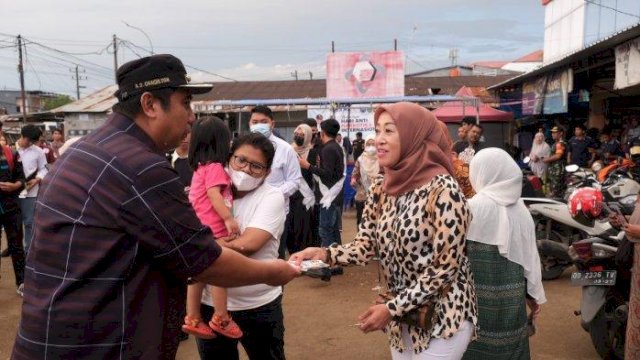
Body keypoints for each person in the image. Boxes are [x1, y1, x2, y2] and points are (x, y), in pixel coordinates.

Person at [11, 54, 299, 360]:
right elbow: (204, 261)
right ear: (150, 105)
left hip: (55, 336)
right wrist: (273, 271)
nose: (191, 117)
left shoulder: (83, 151)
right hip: (100, 344)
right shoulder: (140, 167)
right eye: (185, 103)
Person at [292, 102, 477, 359]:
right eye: (377, 131)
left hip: (443, 316)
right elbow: (365, 245)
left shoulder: (444, 190)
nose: (379, 140)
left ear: (415, 136)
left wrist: (391, 308)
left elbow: (445, 268)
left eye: (389, 131)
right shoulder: (382, 185)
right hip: (402, 318)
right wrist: (324, 254)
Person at [197, 133, 289, 359]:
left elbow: (249, 244)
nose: (246, 170)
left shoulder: (272, 197)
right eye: (241, 160)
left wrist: (203, 247)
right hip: (210, 306)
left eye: (256, 167)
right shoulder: (210, 191)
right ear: (229, 158)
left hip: (258, 305)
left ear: (267, 173)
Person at [463, 148, 546, 360]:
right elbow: (531, 262)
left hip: (470, 305)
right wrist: (533, 297)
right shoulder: (522, 212)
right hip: (511, 305)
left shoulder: (467, 209)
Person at [183, 116, 243, 340]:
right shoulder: (216, 167)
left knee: (197, 276)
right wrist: (228, 218)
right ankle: (221, 317)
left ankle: (192, 318)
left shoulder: (200, 168)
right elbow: (213, 194)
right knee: (220, 274)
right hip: (214, 230)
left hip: (198, 228)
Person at [249, 105, 302, 259]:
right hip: (248, 212)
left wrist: (273, 195)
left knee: (274, 257)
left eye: (263, 121)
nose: (259, 124)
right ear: (250, 124)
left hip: (276, 213)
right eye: (255, 121)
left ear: (272, 124)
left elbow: (294, 181)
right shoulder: (242, 147)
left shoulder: (285, 149)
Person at [299, 119, 345, 258]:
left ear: (322, 132)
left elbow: (328, 174)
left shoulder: (328, 149)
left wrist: (308, 166)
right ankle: (337, 260)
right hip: (333, 196)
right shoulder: (335, 146)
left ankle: (327, 262)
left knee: (325, 230)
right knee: (333, 230)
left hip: (328, 196)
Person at [16, 124, 48, 254]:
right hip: (12, 193)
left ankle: (28, 250)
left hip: (30, 193)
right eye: (28, 140)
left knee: (29, 223)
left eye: (32, 142)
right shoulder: (11, 150)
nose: (30, 144)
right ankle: (15, 249)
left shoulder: (38, 151)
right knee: (14, 225)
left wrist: (38, 179)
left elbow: (44, 168)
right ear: (22, 136)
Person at [0, 139, 26, 296]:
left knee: (16, 245)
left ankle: (22, 282)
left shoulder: (11, 153)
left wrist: (16, 185)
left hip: (11, 207)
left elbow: (21, 178)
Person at [286, 124, 315, 253]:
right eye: (296, 133)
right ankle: (292, 251)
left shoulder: (312, 152)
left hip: (305, 196)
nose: (298, 136)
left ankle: (303, 253)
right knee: (290, 225)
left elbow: (315, 173)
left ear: (308, 136)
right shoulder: (288, 150)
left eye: (302, 135)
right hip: (290, 193)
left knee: (303, 226)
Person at [350, 135, 379, 228]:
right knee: (361, 220)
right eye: (368, 144)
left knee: (376, 222)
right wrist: (353, 179)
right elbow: (355, 173)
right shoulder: (360, 159)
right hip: (362, 194)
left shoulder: (382, 159)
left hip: (377, 195)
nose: (371, 147)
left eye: (373, 144)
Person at [303, 118, 322, 247]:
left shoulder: (321, 146)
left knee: (317, 222)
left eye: (315, 131)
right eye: (310, 131)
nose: (313, 134)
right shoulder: (298, 147)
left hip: (320, 191)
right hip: (302, 190)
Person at [543, 126, 567, 198]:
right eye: (552, 133)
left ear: (561, 133)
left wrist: (547, 159)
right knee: (553, 189)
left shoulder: (560, 143)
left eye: (555, 132)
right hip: (554, 170)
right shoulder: (555, 143)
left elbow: (558, 156)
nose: (553, 134)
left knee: (556, 191)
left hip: (558, 171)